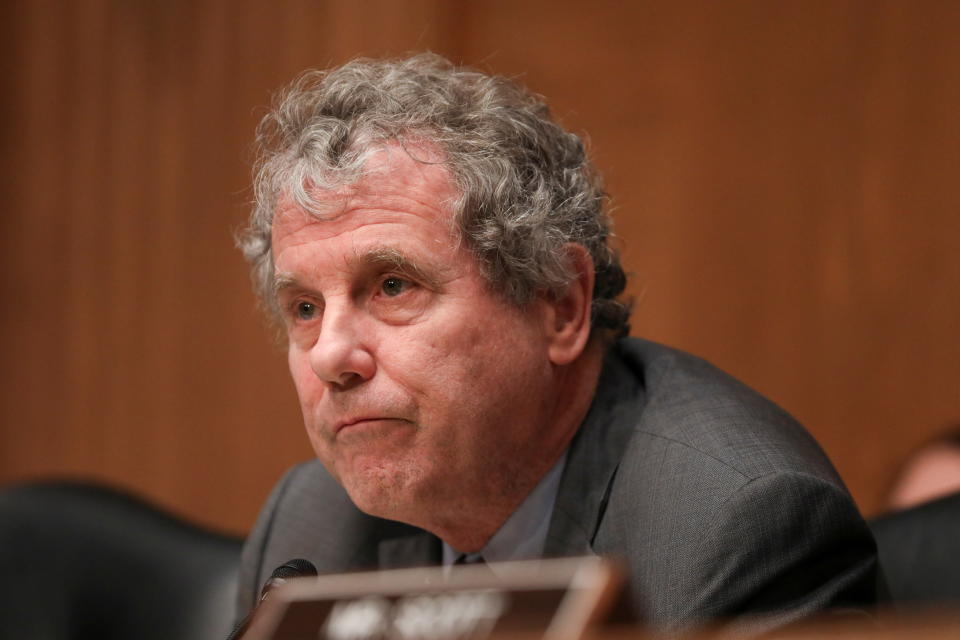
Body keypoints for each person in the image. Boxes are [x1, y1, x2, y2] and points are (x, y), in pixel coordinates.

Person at [235, 53, 879, 631]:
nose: (329, 356)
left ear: (560, 305)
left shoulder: (736, 529)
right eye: (305, 308)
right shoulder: (310, 527)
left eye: (394, 286)